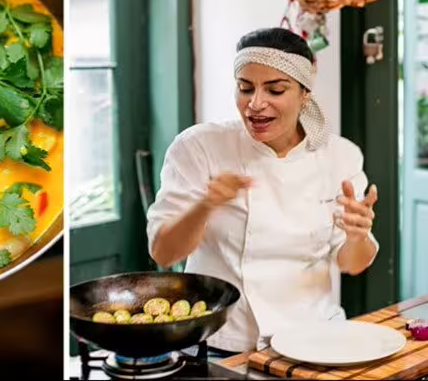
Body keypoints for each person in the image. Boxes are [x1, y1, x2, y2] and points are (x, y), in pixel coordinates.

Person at [146, 27, 379, 354]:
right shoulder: (199, 147)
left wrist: (359, 235)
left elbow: (352, 263)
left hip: (315, 337)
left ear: (304, 93)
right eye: (245, 88)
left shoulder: (340, 156)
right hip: (223, 340)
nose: (255, 104)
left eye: (275, 90)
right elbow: (164, 252)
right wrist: (206, 205)